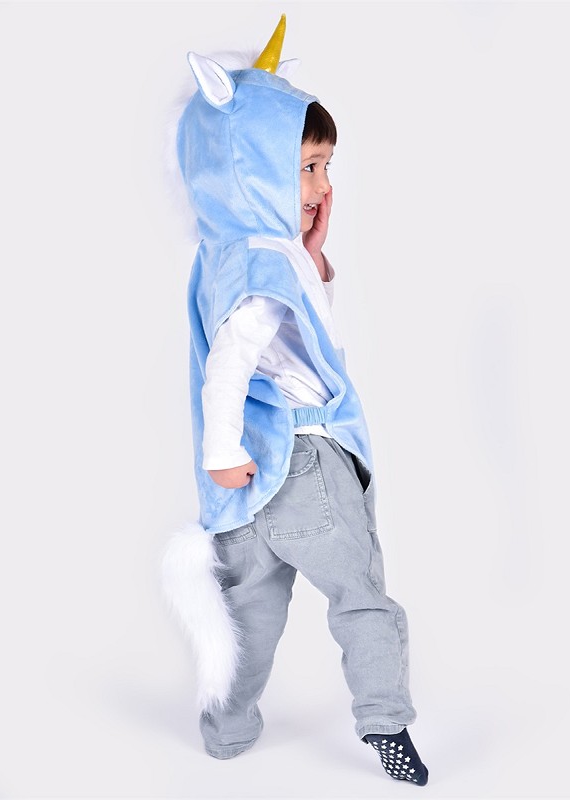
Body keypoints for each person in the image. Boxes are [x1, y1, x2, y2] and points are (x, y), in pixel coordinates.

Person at [161, 15, 429, 786]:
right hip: (304, 462)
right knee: (362, 600)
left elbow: (283, 341)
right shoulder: (267, 266)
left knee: (247, 617)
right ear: (246, 166)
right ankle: (385, 723)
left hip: (248, 488)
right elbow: (233, 364)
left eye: (327, 165)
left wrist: (311, 260)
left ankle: (226, 731)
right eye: (306, 166)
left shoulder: (227, 253)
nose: (323, 185)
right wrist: (220, 451)